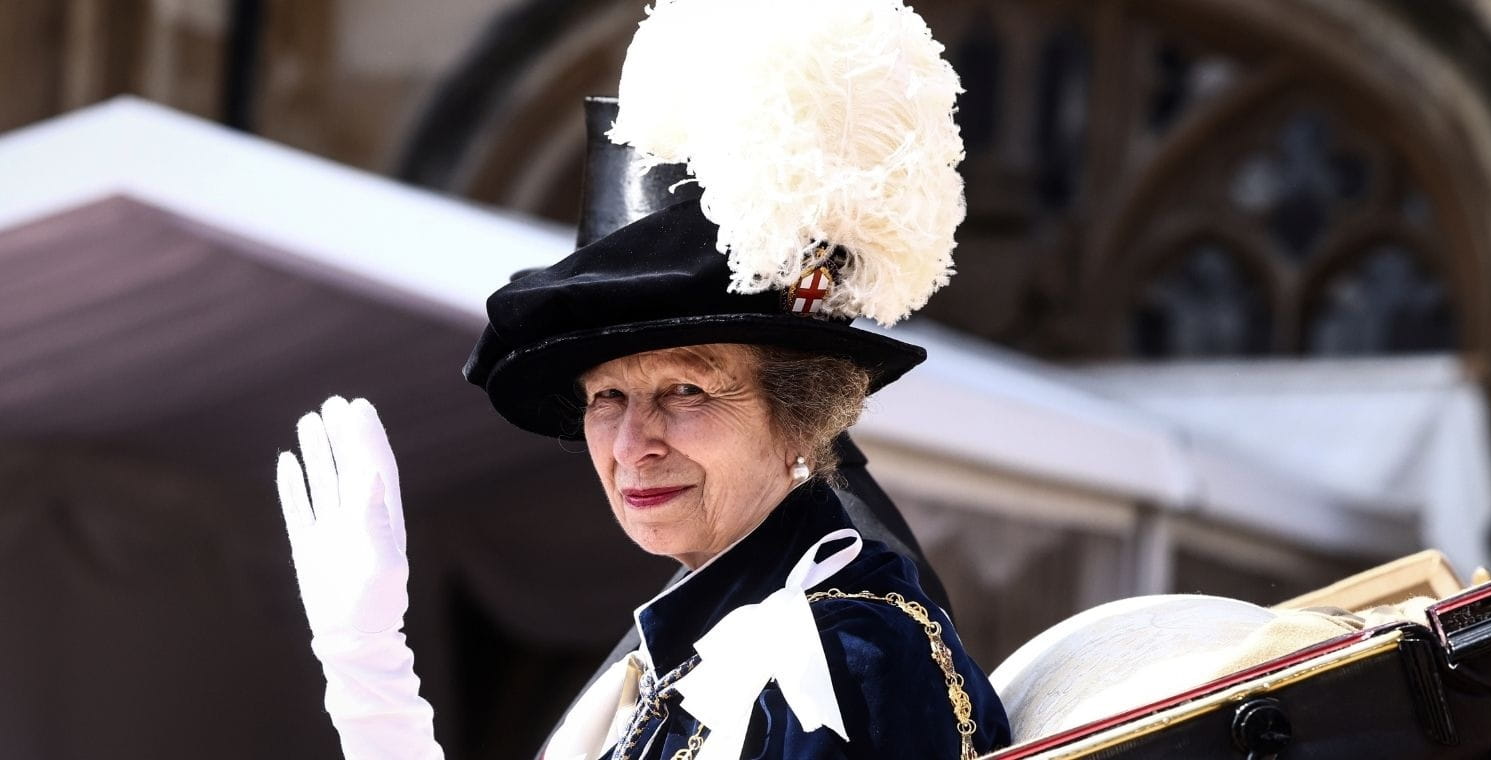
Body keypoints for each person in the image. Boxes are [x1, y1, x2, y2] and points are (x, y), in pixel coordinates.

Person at [271, 0, 1012, 758]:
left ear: (800, 413)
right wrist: (370, 681)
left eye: (685, 390)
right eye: (606, 398)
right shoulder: (689, 653)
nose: (633, 444)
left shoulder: (851, 660)